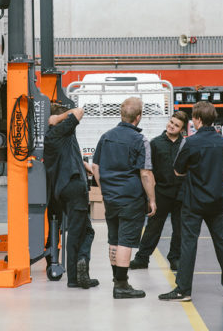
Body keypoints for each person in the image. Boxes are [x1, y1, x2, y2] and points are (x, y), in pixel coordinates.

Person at [158, 101, 223, 302]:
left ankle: (183, 290)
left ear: (198, 119)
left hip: (194, 201)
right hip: (217, 200)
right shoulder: (222, 142)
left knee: (188, 244)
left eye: (193, 117)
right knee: (222, 242)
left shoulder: (191, 142)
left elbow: (178, 170)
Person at [92, 96, 156, 299]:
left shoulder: (106, 136)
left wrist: (105, 188)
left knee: (114, 239)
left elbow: (95, 167)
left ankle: (116, 279)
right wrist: (152, 200)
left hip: (111, 198)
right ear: (138, 117)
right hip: (131, 198)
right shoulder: (140, 140)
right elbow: (145, 173)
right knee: (126, 241)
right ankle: (121, 285)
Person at [44, 104, 99, 289]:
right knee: (83, 232)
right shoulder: (60, 129)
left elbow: (67, 155)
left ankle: (75, 276)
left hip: (62, 189)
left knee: (77, 230)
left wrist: (85, 165)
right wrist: (57, 118)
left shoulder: (53, 138)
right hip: (75, 187)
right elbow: (78, 112)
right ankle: (79, 268)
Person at [130, 110, 189, 271]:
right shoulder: (155, 143)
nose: (172, 126)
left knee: (179, 228)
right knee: (153, 227)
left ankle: (175, 258)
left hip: (180, 193)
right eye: (171, 122)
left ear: (182, 129)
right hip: (161, 192)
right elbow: (148, 170)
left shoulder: (186, 145)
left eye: (176, 125)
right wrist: (150, 197)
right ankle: (142, 258)